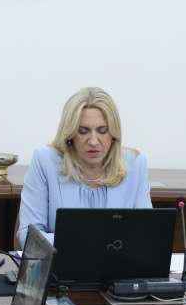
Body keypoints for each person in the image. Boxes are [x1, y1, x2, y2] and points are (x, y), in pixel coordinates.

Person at [18, 87, 151, 247]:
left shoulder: (135, 164)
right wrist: (92, 243)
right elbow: (29, 236)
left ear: (113, 134)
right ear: (70, 134)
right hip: (64, 261)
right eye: (83, 131)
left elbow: (146, 233)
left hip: (118, 262)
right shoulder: (45, 161)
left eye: (102, 131)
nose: (93, 141)